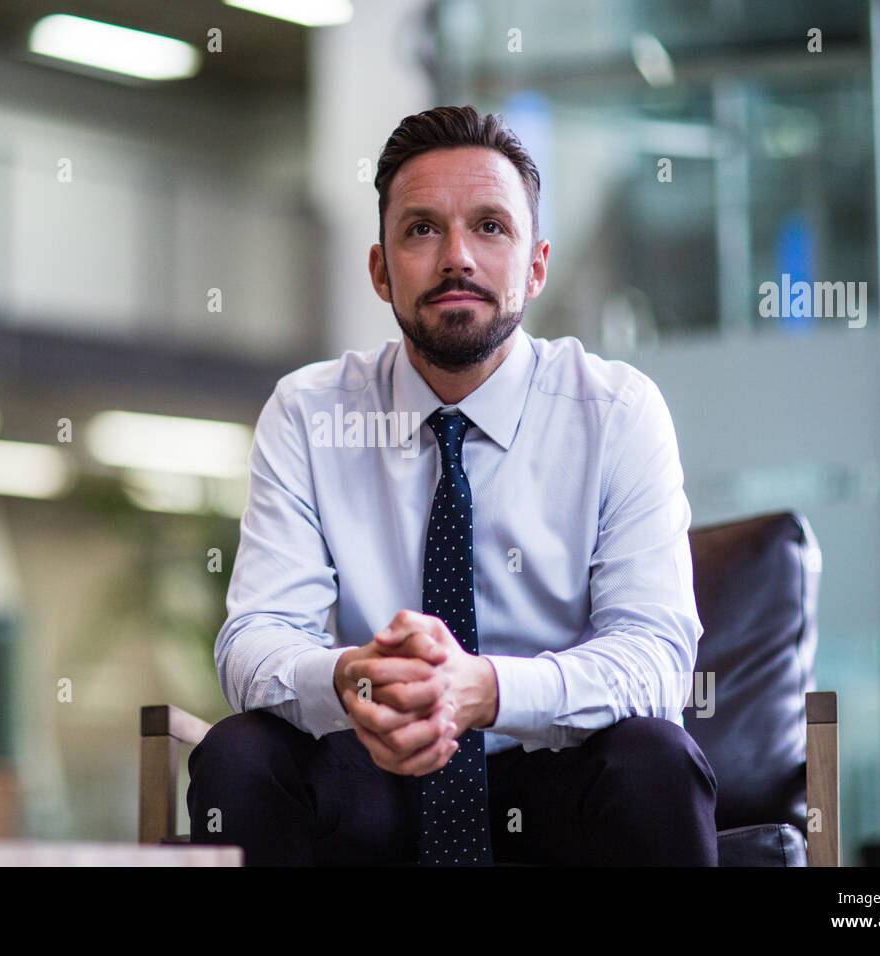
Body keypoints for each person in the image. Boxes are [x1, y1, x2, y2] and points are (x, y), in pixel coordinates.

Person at [187, 105, 717, 866]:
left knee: (653, 761)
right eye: (422, 229)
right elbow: (253, 639)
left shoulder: (617, 413)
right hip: (375, 770)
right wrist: (353, 680)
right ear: (381, 269)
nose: (456, 257)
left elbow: (658, 657)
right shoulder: (308, 412)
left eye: (490, 227)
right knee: (242, 756)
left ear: (536, 264)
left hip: (557, 775)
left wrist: (486, 690)